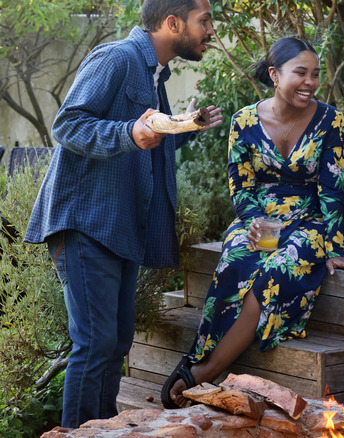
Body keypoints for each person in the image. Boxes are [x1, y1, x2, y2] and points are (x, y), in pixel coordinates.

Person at [23, 0, 222, 428]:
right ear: (173, 23)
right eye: (204, 21)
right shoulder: (116, 58)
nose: (211, 31)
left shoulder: (155, 75)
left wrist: (185, 125)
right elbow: (67, 125)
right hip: (86, 224)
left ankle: (105, 431)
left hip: (121, 228)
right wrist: (130, 131)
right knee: (95, 343)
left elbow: (148, 140)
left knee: (115, 345)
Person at [162, 36, 344, 408]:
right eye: (300, 73)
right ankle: (198, 354)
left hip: (309, 220)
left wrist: (334, 247)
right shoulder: (243, 120)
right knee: (233, 263)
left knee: (274, 272)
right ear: (274, 74)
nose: (310, 82)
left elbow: (333, 187)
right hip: (256, 217)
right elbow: (240, 183)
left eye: (315, 74)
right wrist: (254, 221)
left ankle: (204, 371)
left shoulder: (330, 120)